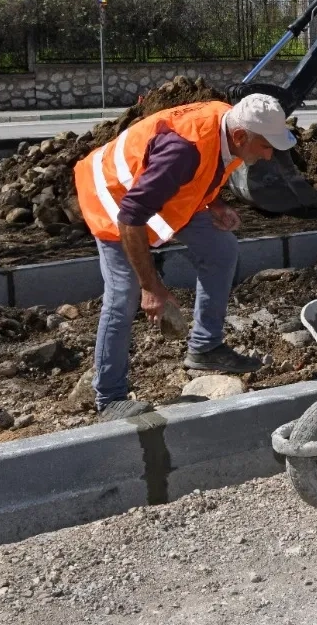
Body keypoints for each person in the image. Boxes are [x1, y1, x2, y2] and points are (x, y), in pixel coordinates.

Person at [73, 93, 296, 420]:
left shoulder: (229, 123)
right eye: (265, 146)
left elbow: (207, 168)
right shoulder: (183, 151)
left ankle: (205, 346)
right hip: (113, 196)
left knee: (221, 248)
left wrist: (214, 204)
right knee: (124, 293)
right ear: (240, 136)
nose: (268, 154)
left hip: (152, 191)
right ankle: (109, 397)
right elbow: (131, 216)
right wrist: (151, 286)